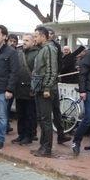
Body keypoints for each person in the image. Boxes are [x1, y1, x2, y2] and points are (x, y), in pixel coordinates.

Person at [30, 26, 59, 157]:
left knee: (46, 120)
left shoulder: (49, 49)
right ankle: (42, 146)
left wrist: (47, 88)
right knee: (41, 119)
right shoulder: (42, 49)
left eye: (36, 36)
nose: (34, 38)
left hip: (46, 90)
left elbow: (52, 70)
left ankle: (46, 149)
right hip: (39, 88)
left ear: (43, 36)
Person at [12, 33, 39, 145]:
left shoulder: (38, 53)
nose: (24, 42)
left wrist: (35, 88)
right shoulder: (19, 53)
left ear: (33, 42)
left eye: (27, 40)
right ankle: (21, 134)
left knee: (30, 114)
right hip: (19, 88)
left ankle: (29, 135)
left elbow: (37, 72)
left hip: (30, 88)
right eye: (23, 40)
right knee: (20, 113)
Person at [47, 28, 71, 145]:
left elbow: (59, 64)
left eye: (52, 34)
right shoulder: (41, 46)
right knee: (44, 113)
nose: (50, 36)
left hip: (53, 81)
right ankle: (44, 140)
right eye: (49, 33)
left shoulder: (56, 46)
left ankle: (60, 134)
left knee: (56, 109)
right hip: (45, 82)